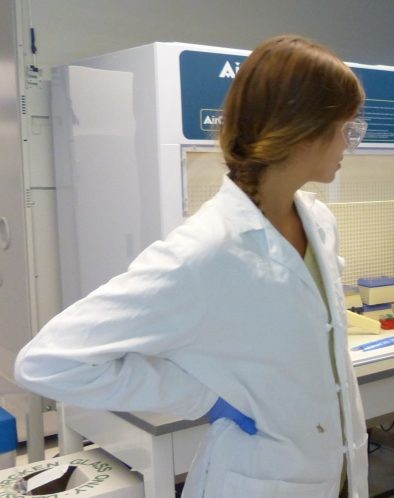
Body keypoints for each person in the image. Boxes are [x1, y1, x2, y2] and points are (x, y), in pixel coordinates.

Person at [15, 34, 370, 498]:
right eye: (347, 128)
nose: (351, 142)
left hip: (333, 470)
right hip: (259, 481)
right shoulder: (206, 251)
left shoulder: (318, 223)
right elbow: (47, 362)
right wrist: (203, 398)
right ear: (302, 130)